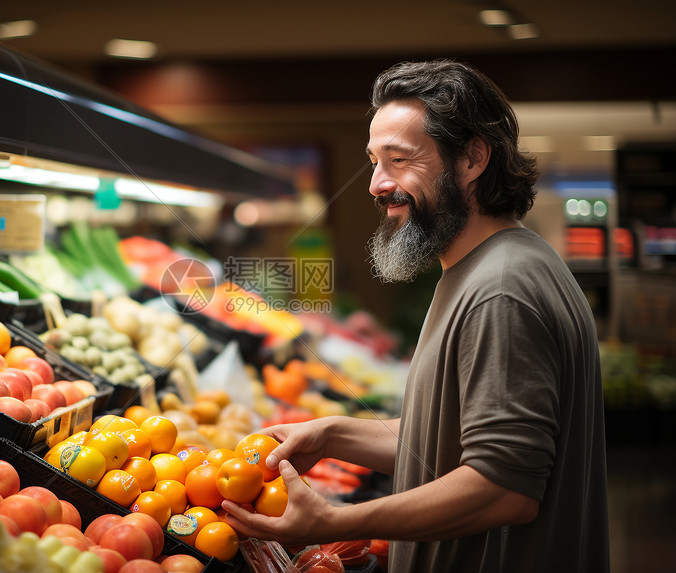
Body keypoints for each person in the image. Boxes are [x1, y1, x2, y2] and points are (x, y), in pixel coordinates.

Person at [221, 59, 610, 572]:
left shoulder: (501, 289)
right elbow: (448, 439)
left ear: (472, 159)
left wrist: (338, 521)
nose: (376, 184)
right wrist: (335, 433)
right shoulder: (492, 265)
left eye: (398, 160)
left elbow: (503, 489)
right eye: (373, 161)